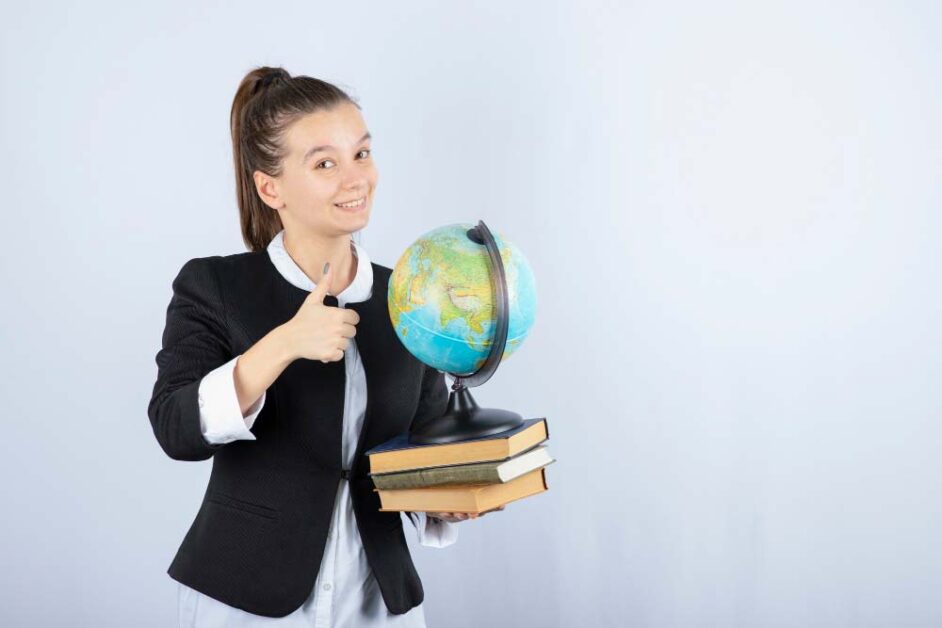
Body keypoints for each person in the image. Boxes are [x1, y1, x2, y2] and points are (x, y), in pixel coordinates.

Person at [148, 66, 503, 627]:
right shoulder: (215, 285)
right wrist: (283, 344)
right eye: (325, 163)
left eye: (361, 154)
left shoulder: (409, 296)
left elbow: (423, 444)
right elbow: (174, 428)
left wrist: (447, 496)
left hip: (376, 596)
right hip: (247, 598)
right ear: (271, 187)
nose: (355, 178)